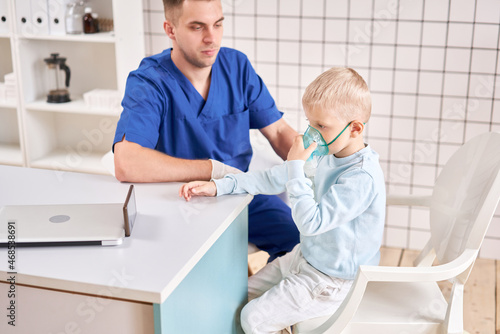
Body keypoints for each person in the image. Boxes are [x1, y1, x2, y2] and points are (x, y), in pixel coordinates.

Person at [179, 67, 386, 333]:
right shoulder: (327, 152)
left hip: (333, 281)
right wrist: (220, 186)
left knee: (252, 319)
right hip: (306, 259)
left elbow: (310, 223)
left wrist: (296, 169)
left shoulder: (361, 178)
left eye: (321, 125)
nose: (311, 133)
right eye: (310, 123)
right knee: (237, 295)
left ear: (355, 128)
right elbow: (274, 178)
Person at [112, 0, 299, 261]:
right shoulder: (149, 82)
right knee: (197, 266)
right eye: (197, 27)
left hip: (238, 194)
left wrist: (321, 166)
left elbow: (279, 132)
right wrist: (213, 170)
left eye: (218, 24)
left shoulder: (237, 67)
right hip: (178, 202)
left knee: (302, 242)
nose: (212, 38)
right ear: (170, 29)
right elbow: (126, 162)